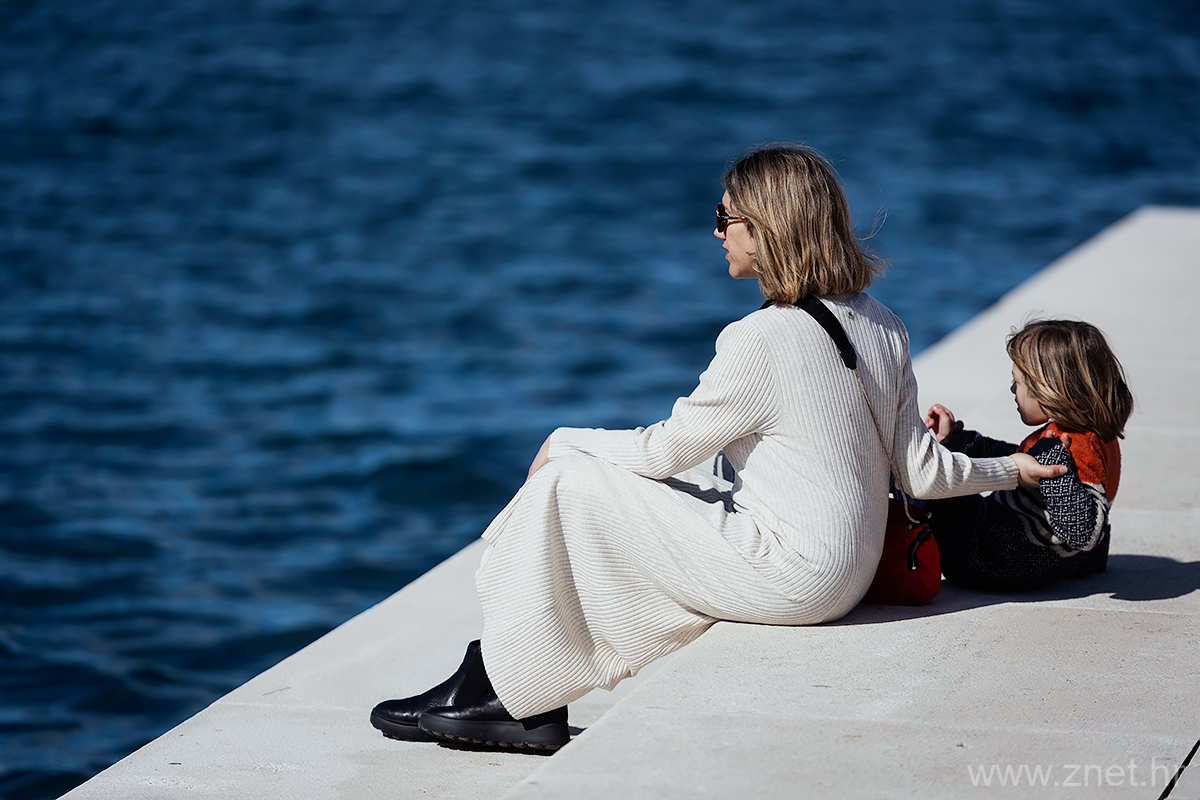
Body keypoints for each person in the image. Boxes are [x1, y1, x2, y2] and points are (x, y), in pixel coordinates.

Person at [369, 144, 1065, 752]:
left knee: (565, 482)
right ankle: (506, 681)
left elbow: (662, 452)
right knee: (627, 487)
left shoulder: (760, 338)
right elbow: (921, 470)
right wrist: (1012, 468)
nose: (715, 231)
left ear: (766, 229)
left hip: (795, 576)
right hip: (848, 574)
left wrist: (561, 439)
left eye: (724, 216)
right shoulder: (883, 324)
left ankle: (502, 689)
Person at [923, 319, 1134, 591]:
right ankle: (1083, 561)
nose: (1012, 389)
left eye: (1017, 382)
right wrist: (964, 442)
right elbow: (1023, 461)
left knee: (935, 487)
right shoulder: (1095, 435)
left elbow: (1083, 532)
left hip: (991, 558)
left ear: (1049, 389)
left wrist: (942, 458)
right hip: (1057, 560)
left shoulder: (1061, 449)